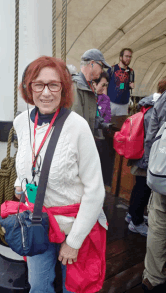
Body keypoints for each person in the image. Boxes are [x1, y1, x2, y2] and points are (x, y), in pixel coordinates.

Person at [13, 56, 108, 293]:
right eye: (38, 84)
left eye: (53, 85)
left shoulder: (78, 127)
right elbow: (27, 163)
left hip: (74, 226)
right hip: (38, 223)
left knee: (74, 288)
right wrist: (21, 186)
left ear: (64, 88)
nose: (46, 93)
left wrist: (74, 241)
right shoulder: (20, 123)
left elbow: (95, 190)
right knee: (38, 286)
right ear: (28, 87)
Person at [125, 77, 166, 237]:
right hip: (146, 158)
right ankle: (136, 223)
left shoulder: (147, 105)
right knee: (143, 190)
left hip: (140, 155)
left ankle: (131, 215)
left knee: (139, 188)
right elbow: (152, 138)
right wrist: (150, 162)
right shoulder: (157, 107)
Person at [140, 76, 166, 291]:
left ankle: (154, 277)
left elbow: (151, 136)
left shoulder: (162, 101)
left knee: (158, 224)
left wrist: (150, 167)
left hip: (162, 176)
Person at [71, 48, 110, 134]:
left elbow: (89, 115)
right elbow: (76, 121)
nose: (102, 70)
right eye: (101, 66)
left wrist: (100, 123)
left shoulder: (87, 85)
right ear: (92, 63)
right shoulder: (77, 86)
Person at [107, 48, 134, 116]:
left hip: (124, 105)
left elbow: (131, 83)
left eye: (130, 56)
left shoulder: (131, 72)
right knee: (107, 124)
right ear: (120, 57)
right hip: (111, 102)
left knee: (121, 125)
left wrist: (131, 85)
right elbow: (104, 85)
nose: (128, 58)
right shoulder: (112, 69)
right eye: (126, 56)